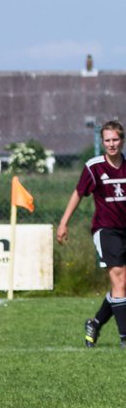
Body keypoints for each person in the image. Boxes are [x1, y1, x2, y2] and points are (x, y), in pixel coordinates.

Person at [57, 119, 126, 348]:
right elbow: (78, 193)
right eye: (107, 140)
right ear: (102, 142)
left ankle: (95, 323)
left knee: (121, 286)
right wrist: (64, 222)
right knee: (119, 279)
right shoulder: (94, 166)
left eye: (115, 139)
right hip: (106, 230)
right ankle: (125, 338)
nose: (111, 144)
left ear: (122, 140)